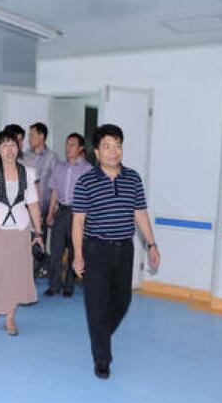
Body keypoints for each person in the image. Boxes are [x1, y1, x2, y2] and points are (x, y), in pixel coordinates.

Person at [72, 124, 160, 380]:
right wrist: (78, 255)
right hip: (96, 249)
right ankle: (102, 359)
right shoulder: (86, 181)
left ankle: (99, 334)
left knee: (123, 300)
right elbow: (78, 222)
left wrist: (152, 244)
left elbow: (140, 213)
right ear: (97, 152)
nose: (113, 152)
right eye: (107, 147)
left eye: (118, 146)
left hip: (124, 249)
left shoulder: (132, 178)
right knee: (97, 304)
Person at [0, 130, 43, 336]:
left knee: (15, 274)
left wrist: (38, 233)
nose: (9, 149)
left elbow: (33, 205)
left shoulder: (28, 173)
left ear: (18, 148)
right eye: (5, 145)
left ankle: (9, 317)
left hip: (20, 229)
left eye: (13, 145)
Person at [44, 133, 92, 297]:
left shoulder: (87, 169)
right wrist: (51, 211)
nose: (68, 148)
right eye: (67, 144)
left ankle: (69, 286)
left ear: (80, 148)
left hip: (78, 215)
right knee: (55, 251)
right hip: (61, 213)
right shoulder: (59, 167)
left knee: (74, 251)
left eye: (72, 145)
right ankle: (54, 285)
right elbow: (54, 191)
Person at [24, 122, 59, 278]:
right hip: (23, 208)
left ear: (41, 136)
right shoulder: (24, 155)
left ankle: (33, 274)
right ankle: (26, 273)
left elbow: (55, 186)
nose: (29, 138)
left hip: (42, 208)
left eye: (32, 135)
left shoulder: (52, 158)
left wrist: (51, 211)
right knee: (23, 243)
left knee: (38, 242)